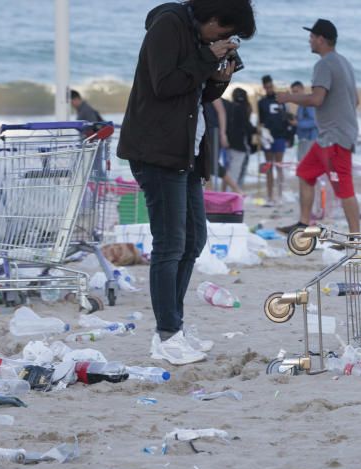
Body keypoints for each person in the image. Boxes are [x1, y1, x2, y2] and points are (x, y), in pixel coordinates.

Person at [116, 0, 256, 365]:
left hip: (185, 153)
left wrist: (220, 77)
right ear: (211, 19)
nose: (225, 40)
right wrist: (208, 56)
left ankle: (173, 326)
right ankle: (167, 334)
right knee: (170, 244)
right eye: (224, 34)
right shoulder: (168, 25)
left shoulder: (197, 37)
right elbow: (165, 84)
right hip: (157, 151)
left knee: (194, 238)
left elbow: (197, 93)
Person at [275, 19, 361, 234]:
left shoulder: (323, 64)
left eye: (312, 37)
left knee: (344, 189)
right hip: (328, 137)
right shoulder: (344, 62)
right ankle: (304, 223)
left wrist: (289, 97)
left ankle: (356, 237)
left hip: (335, 139)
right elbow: (356, 100)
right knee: (304, 173)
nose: (310, 40)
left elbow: (317, 99)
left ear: (321, 39)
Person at [257, 75, 295, 205]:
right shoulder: (261, 102)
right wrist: (260, 136)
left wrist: (289, 136)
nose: (268, 89)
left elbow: (288, 118)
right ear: (264, 87)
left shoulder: (281, 99)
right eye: (266, 87)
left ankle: (280, 194)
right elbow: (260, 122)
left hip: (280, 136)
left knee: (279, 165)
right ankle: (269, 195)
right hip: (267, 138)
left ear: (272, 85)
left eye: (270, 86)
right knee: (268, 166)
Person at [221, 88, 254, 193]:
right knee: (235, 172)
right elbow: (246, 126)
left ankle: (225, 194)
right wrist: (258, 130)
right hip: (239, 145)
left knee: (228, 170)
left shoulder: (230, 107)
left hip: (229, 143)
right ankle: (232, 195)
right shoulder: (242, 108)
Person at [291, 80, 318, 160]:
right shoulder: (302, 103)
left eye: (296, 91)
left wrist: (297, 123)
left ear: (302, 89)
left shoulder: (308, 102)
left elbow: (315, 122)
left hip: (309, 139)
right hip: (303, 139)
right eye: (293, 92)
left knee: (305, 166)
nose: (295, 95)